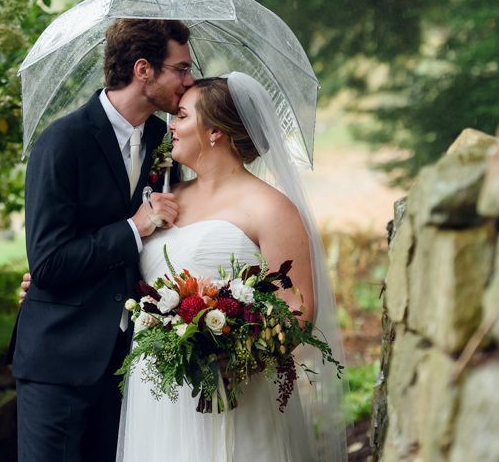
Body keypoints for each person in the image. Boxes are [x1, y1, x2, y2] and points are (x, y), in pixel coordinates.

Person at [115, 73, 346, 462]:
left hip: (235, 388)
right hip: (156, 391)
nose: (170, 125)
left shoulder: (270, 208)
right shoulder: (163, 198)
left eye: (182, 116)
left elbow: (299, 310)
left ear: (215, 132)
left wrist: (234, 353)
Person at [8, 18, 195, 462]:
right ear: (143, 69)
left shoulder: (162, 140)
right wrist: (136, 226)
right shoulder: (61, 142)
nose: (190, 82)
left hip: (127, 361)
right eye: (182, 69)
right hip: (59, 360)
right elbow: (50, 262)